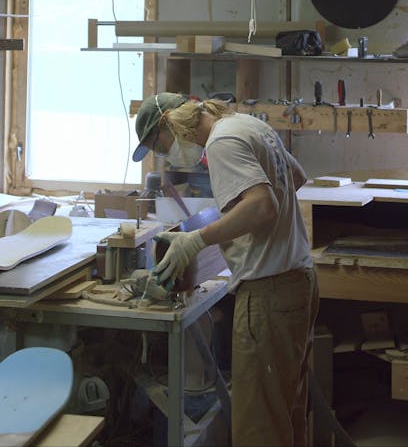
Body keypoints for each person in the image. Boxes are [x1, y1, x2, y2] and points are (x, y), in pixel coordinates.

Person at [132, 92, 319, 447]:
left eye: (161, 146)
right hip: (298, 281)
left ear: (170, 122)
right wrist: (234, 214)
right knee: (287, 416)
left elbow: (263, 206)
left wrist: (198, 239)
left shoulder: (220, 142)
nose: (167, 155)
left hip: (269, 292)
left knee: (259, 429)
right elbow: (295, 178)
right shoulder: (248, 125)